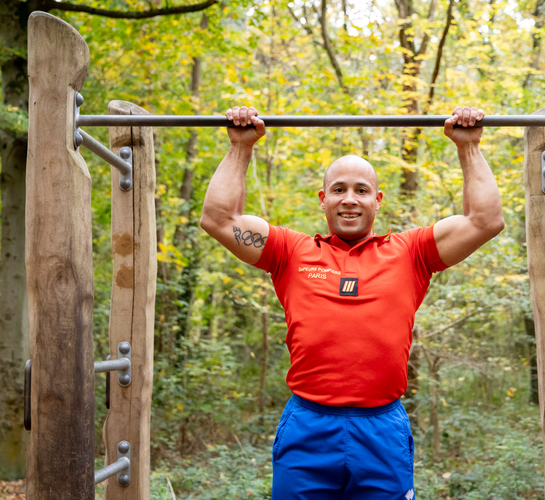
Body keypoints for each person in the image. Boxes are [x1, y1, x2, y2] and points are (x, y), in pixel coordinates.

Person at [200, 105, 504, 499]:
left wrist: (468, 147)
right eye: (339, 190)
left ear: (377, 200)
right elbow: (218, 219)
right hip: (309, 425)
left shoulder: (411, 252)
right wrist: (241, 147)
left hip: (381, 427)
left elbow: (486, 220)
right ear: (323, 199)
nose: (350, 200)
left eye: (361, 191)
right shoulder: (290, 251)